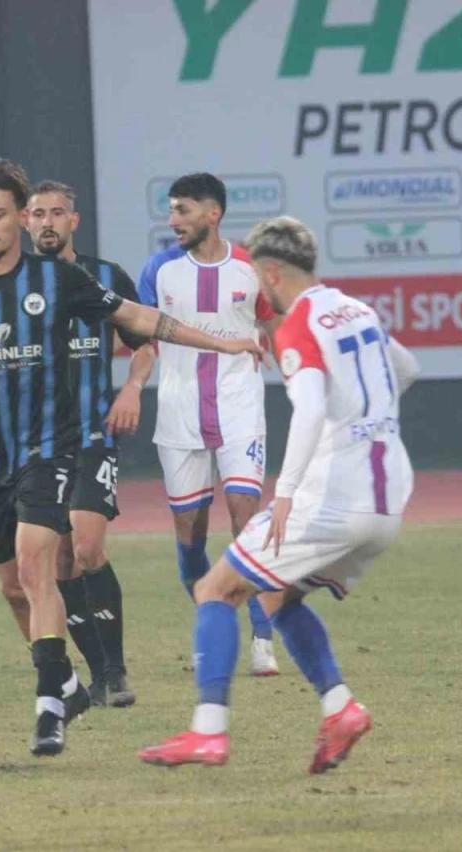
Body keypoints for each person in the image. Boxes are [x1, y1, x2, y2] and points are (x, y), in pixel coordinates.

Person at [0, 159, 262, 756]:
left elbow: (138, 319)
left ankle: (50, 709)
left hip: (51, 448)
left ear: (18, 218)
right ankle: (67, 683)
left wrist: (222, 342)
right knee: (14, 588)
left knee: (40, 564)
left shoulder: (58, 279)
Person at [138, 216, 421, 772]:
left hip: (335, 496)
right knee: (274, 597)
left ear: (270, 273)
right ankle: (340, 708)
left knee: (215, 589)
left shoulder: (297, 324)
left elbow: (310, 410)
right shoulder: (357, 310)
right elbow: (407, 369)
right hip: (389, 496)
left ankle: (207, 731)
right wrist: (368, 421)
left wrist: (287, 492)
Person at [136, 172, 282, 677]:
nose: (173, 219)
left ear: (212, 214)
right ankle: (213, 625)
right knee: (190, 535)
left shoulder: (249, 268)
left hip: (240, 408)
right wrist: (132, 384)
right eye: (171, 210)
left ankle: (262, 638)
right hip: (180, 414)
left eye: (182, 210)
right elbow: (141, 334)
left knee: (245, 520)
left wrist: (300, 373)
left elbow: (273, 323)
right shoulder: (158, 270)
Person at [25, 179, 153, 708]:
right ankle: (99, 675)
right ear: (26, 221)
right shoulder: (12, 286)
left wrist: (132, 388)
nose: (48, 222)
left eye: (58, 212)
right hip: (37, 441)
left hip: (93, 434)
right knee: (59, 563)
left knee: (87, 547)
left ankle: (117, 671)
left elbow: (144, 341)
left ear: (73, 221)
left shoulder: (106, 277)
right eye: (39, 214)